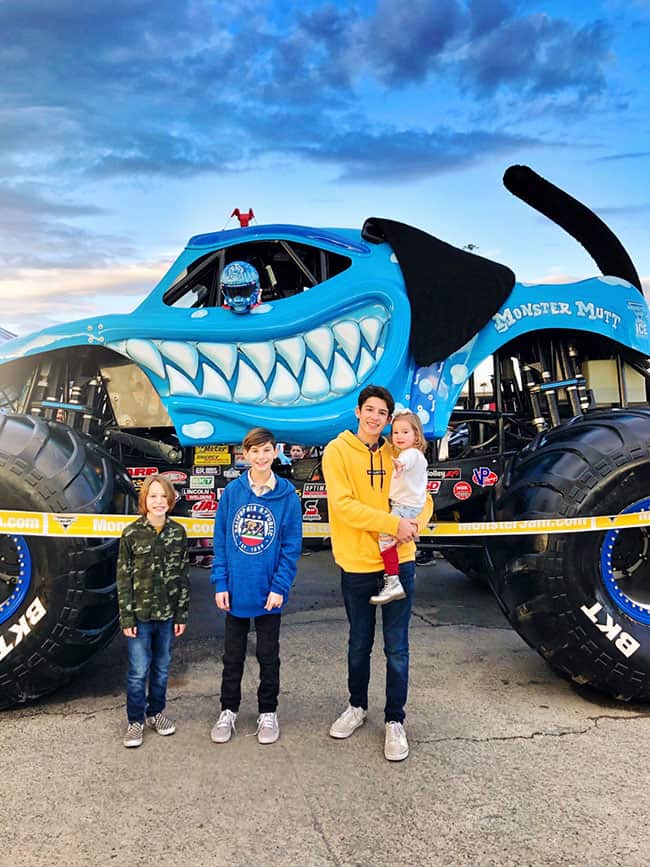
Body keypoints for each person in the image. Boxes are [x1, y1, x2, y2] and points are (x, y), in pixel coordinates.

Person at [322, 385, 432, 761]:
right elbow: (343, 506)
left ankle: (395, 720)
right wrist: (391, 522)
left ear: (389, 418)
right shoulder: (336, 452)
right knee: (359, 643)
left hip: (400, 560)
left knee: (397, 647)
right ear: (358, 412)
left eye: (382, 413)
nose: (375, 418)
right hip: (356, 562)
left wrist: (414, 524)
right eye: (369, 410)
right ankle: (356, 706)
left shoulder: (397, 451)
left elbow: (424, 496)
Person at [210, 427, 302, 745]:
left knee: (268, 655)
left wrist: (280, 587)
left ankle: (268, 712)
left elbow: (290, 548)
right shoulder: (233, 493)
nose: (262, 457)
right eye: (255, 451)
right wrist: (220, 582)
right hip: (236, 589)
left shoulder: (288, 496)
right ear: (245, 454)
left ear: (276, 452)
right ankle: (228, 711)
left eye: (267, 450)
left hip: (268, 593)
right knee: (232, 656)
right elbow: (221, 541)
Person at [117, 474, 190, 748]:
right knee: (138, 671)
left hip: (167, 615)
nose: (158, 501)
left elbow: (183, 575)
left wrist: (181, 614)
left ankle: (156, 713)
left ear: (170, 500)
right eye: (153, 496)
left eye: (163, 496)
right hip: (139, 616)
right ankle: (135, 721)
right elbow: (123, 578)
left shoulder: (178, 532)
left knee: (161, 668)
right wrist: (126, 617)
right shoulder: (131, 533)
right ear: (144, 500)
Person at [371, 410, 428, 605]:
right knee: (393, 538)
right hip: (407, 506)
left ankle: (394, 581)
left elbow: (407, 461)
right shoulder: (408, 454)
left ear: (416, 435)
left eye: (405, 432)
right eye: (395, 432)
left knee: (385, 538)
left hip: (405, 506)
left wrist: (399, 464)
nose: (399, 436)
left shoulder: (411, 455)